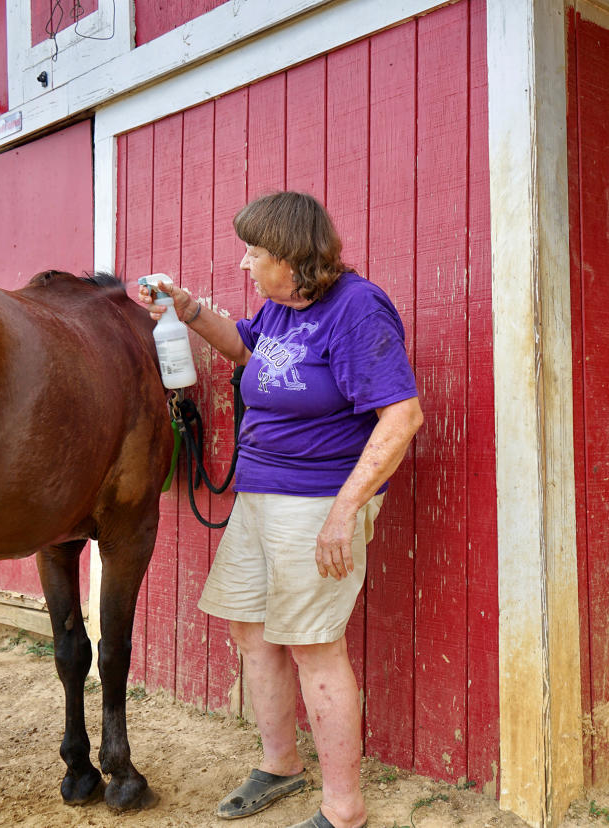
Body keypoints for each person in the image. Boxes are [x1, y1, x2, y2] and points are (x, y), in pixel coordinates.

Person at [138, 191, 422, 828]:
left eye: (256, 253)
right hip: (259, 497)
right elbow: (245, 350)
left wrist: (344, 512)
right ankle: (280, 765)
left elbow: (402, 417)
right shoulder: (280, 309)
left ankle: (344, 808)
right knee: (252, 630)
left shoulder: (356, 308)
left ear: (293, 260)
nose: (245, 264)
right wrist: (185, 309)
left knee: (314, 646)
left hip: (316, 501)